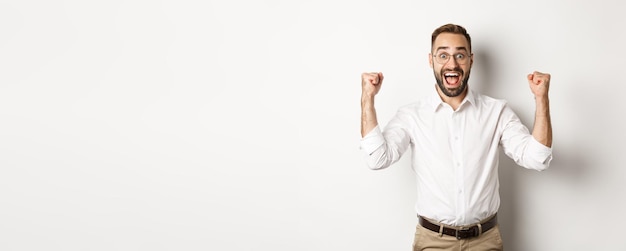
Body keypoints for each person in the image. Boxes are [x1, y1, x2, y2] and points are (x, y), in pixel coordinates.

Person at [359, 23, 553, 250]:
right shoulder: (411, 116)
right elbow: (377, 159)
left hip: (485, 241)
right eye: (443, 55)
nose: (452, 64)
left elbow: (537, 159)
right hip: (432, 242)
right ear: (431, 60)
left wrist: (541, 99)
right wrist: (367, 98)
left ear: (470, 60)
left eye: (460, 55)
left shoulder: (497, 112)